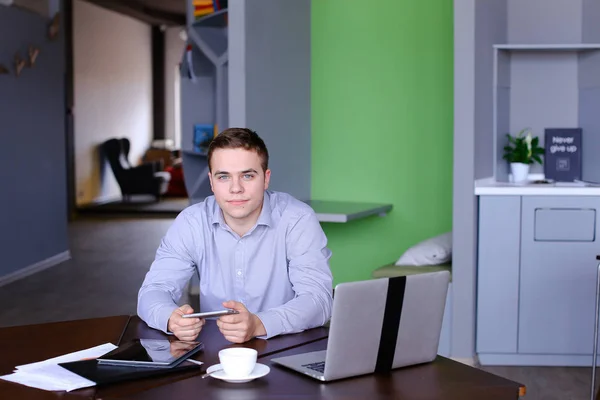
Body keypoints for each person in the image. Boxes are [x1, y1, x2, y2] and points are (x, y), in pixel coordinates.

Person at [137, 128, 333, 344]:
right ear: (211, 182)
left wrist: (258, 323)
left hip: (285, 347)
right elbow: (154, 290)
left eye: (247, 175)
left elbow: (318, 300)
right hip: (217, 353)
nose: (236, 188)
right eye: (224, 177)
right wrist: (170, 318)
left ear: (265, 179)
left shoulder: (297, 219)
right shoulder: (191, 222)